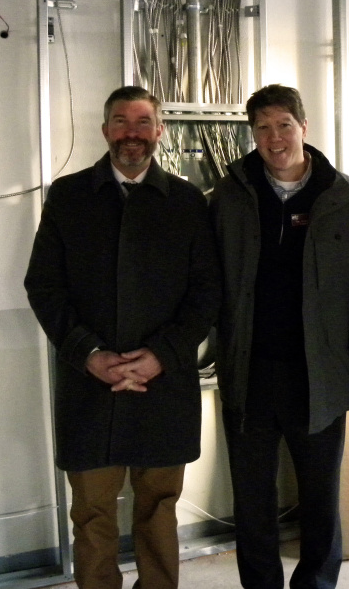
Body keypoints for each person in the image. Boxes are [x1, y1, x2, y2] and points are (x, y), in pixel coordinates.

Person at [24, 86, 220, 589]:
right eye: (120, 121)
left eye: (141, 122)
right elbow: (44, 285)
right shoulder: (68, 197)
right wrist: (87, 353)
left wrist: (162, 355)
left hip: (164, 384)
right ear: (105, 129)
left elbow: (206, 293)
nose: (131, 132)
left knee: (158, 509)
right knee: (90, 512)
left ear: (159, 130)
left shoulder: (187, 201)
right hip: (90, 384)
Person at [209, 84, 349, 589]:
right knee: (252, 502)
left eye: (283, 125)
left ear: (304, 127)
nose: (274, 138)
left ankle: (317, 584)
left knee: (321, 498)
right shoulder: (229, 196)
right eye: (262, 128)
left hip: (317, 378)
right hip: (249, 374)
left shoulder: (347, 198)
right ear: (251, 133)